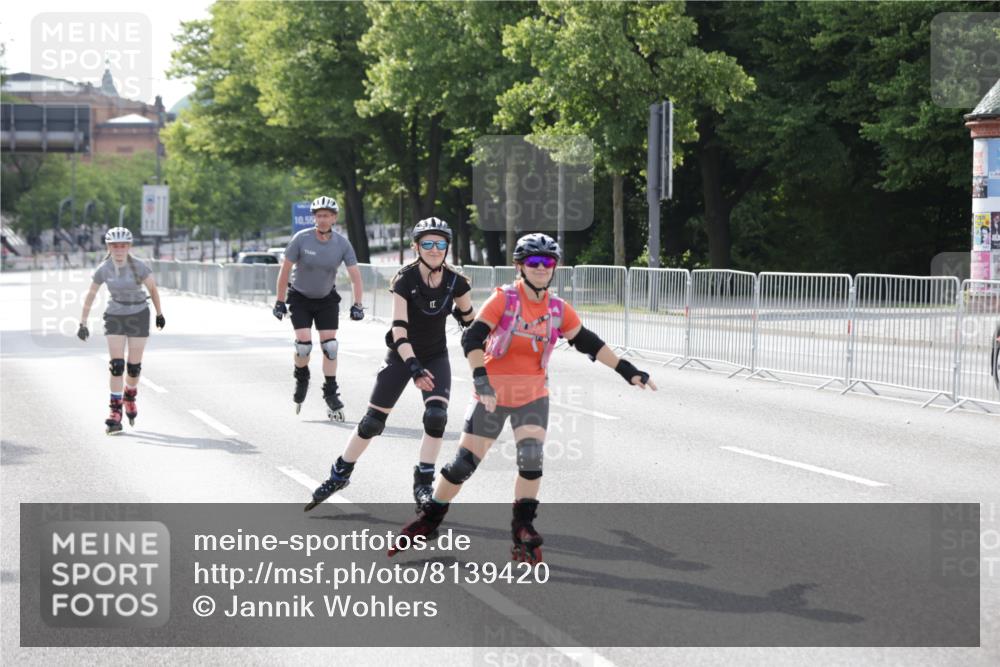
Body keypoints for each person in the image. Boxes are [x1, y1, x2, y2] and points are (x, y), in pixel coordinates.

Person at [388, 233, 657, 562]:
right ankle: (429, 519)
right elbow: (472, 339)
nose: (542, 268)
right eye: (534, 262)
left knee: (531, 463)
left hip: (532, 396)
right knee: (462, 466)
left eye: (548, 263)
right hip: (492, 395)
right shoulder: (505, 299)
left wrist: (628, 370)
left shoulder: (557, 309)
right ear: (521, 267)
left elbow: (587, 341)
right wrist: (481, 380)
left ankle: (522, 528)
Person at [305, 217, 476, 512]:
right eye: (428, 243)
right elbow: (399, 330)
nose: (435, 249)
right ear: (416, 246)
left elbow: (471, 322)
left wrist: (480, 340)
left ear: (447, 247)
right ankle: (340, 474)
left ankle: (423, 484)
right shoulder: (404, 281)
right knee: (372, 423)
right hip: (402, 355)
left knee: (436, 417)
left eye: (440, 244)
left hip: (435, 356)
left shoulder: (456, 282)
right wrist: (413, 367)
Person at [273, 196, 365, 421]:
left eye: (327, 215)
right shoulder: (301, 239)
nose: (323, 219)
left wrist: (358, 304)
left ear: (334, 218)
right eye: (319, 215)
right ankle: (302, 377)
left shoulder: (342, 244)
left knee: (330, 346)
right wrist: (279, 300)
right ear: (314, 217)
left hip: (325, 298)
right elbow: (285, 271)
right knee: (303, 346)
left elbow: (355, 276)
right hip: (300, 297)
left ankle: (331, 392)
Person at [78, 227, 165, 434]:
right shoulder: (104, 268)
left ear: (129, 246)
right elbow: (91, 294)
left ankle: (130, 395)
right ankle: (115, 412)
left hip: (139, 315)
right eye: (115, 246)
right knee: (117, 366)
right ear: (109, 247)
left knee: (133, 368)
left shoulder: (139, 266)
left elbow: (152, 289)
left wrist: (160, 313)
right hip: (115, 315)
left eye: (123, 245)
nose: (119, 249)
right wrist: (82, 322)